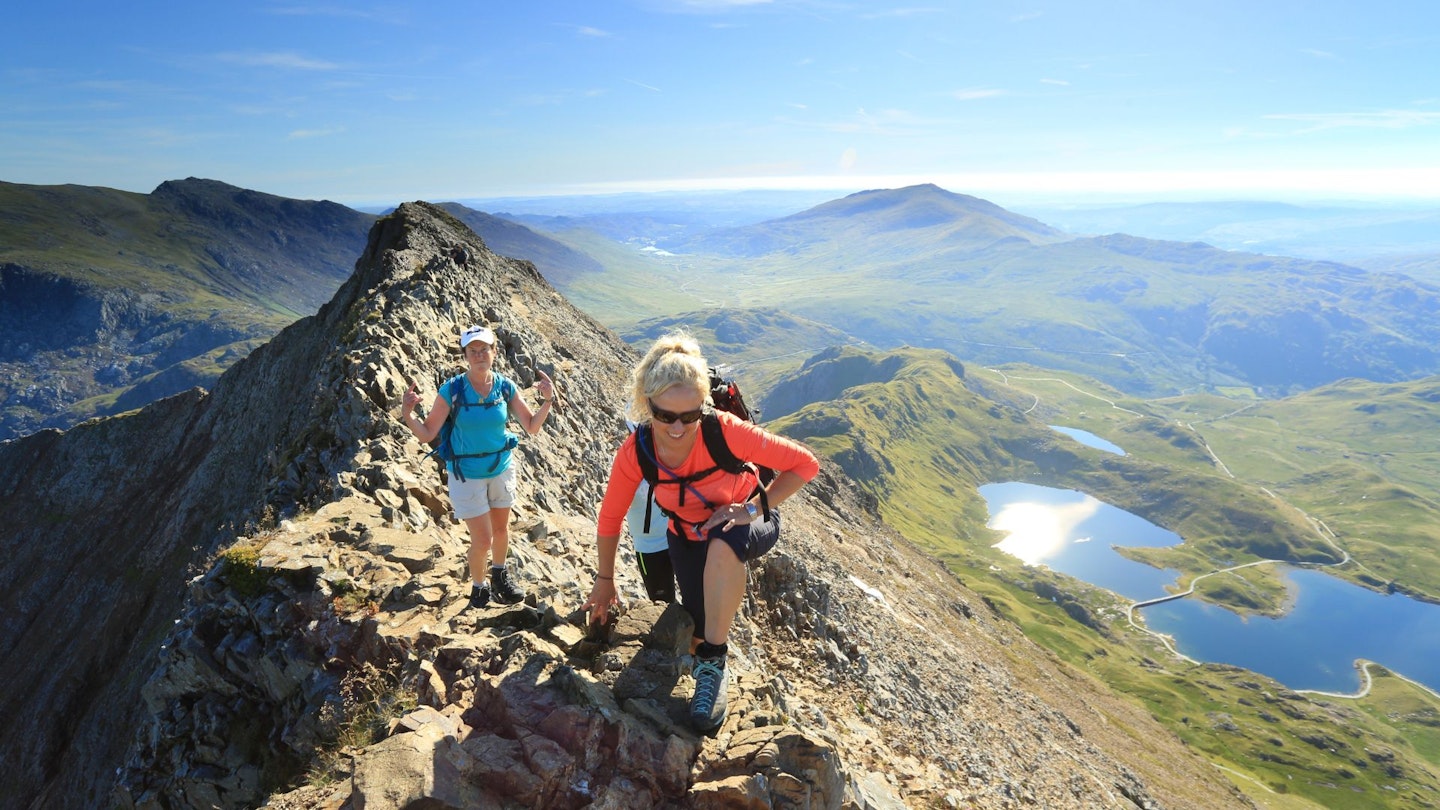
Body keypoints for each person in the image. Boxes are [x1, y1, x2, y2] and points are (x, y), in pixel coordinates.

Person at [582, 331, 819, 731]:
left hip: (749, 519)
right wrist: (605, 580)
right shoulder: (637, 451)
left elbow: (805, 465)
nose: (677, 427)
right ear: (647, 404)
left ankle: (713, 667)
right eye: (664, 415)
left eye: (690, 416)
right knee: (696, 616)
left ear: (703, 406)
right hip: (686, 532)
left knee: (724, 539)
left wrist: (751, 508)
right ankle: (701, 664)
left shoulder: (725, 431)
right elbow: (610, 518)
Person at [401, 324, 555, 609]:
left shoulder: (505, 387)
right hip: (466, 475)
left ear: (494, 352)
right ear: (465, 355)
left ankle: (499, 577)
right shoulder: (452, 390)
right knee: (482, 540)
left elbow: (532, 426)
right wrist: (408, 415)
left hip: (501, 468)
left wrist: (547, 400)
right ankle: (478, 586)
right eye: (473, 351)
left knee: (501, 530)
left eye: (485, 349)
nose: (479, 355)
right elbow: (426, 434)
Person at [624, 420, 676, 604]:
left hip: (667, 541)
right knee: (663, 603)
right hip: (655, 546)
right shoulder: (627, 467)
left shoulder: (671, 457)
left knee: (668, 603)